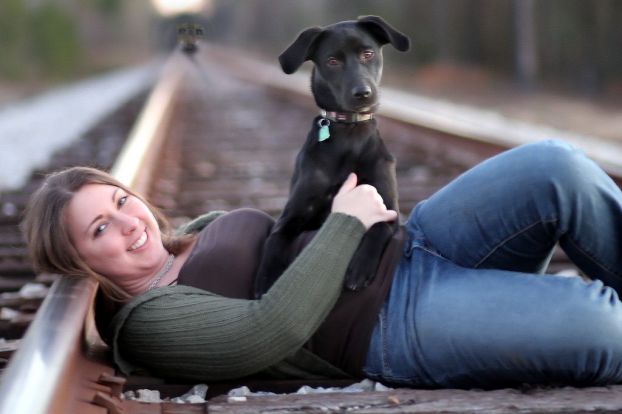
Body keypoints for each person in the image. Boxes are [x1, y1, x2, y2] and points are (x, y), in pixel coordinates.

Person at [22, 139, 622, 389]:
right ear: (79, 262)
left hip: (414, 244)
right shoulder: (146, 323)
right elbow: (269, 332)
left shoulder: (186, 242)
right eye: (100, 228)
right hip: (395, 324)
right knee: (602, 326)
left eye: (122, 201)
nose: (130, 223)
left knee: (555, 167)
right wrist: (344, 222)